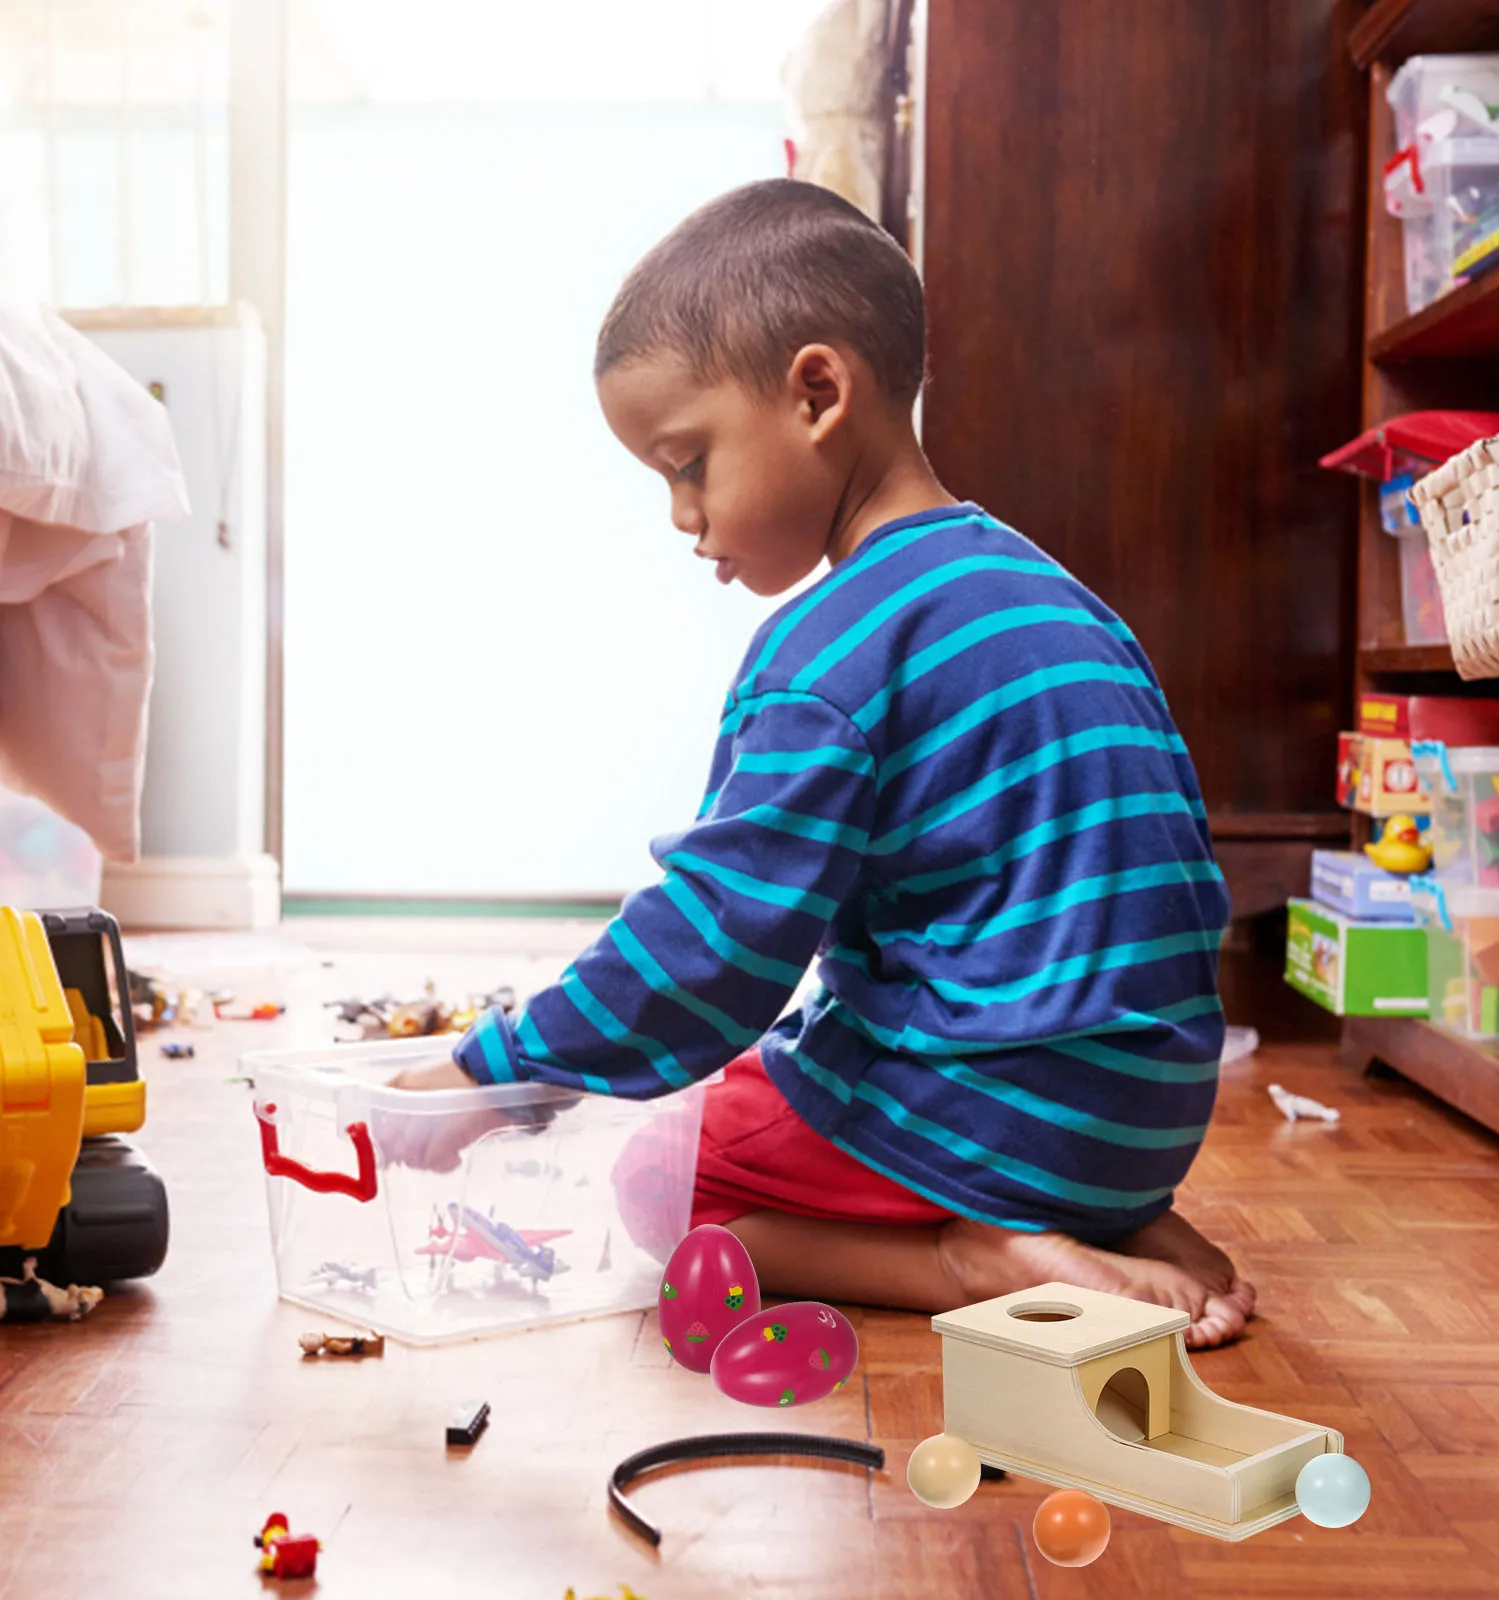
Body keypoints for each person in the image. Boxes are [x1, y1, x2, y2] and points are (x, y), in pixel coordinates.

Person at [395, 179, 1253, 1348]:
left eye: (686, 463)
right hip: (1142, 1113)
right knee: (780, 1062)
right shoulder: (1058, 597)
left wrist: (494, 1077)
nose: (681, 515)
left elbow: (713, 948)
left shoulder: (827, 652)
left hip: (988, 1119)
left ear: (815, 394)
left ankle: (966, 1257)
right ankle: (1115, 1222)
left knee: (661, 1173)